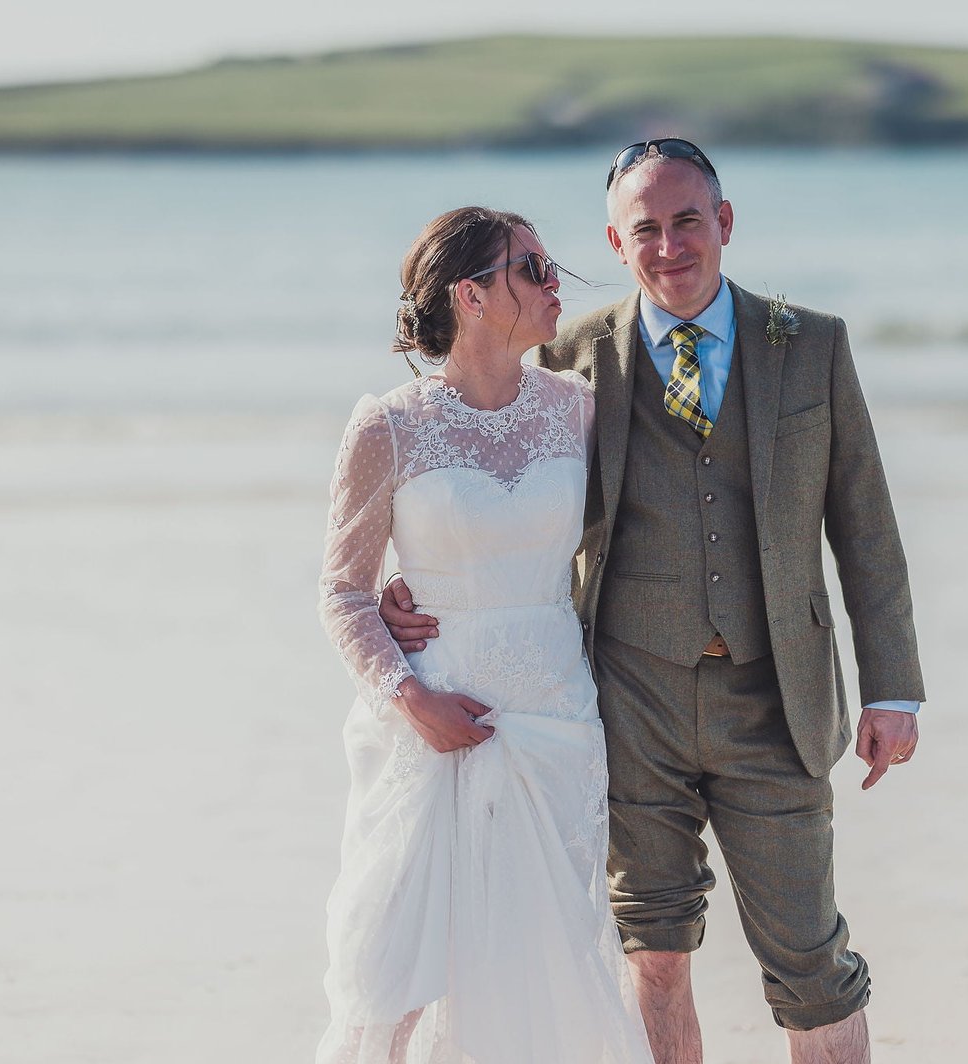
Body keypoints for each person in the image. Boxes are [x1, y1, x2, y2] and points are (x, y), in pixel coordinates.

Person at [381, 141, 925, 1064]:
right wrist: (421, 581)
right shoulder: (567, 357)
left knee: (811, 964)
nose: (669, 246)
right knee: (655, 950)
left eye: (686, 222)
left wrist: (894, 691)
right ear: (617, 242)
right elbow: (482, 467)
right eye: (646, 229)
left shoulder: (814, 345)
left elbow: (865, 528)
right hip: (629, 706)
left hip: (779, 706)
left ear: (724, 223)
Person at [315, 206, 655, 1064]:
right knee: (396, 964)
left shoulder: (581, 411)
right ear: (472, 294)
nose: (556, 285)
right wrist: (410, 696)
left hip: (552, 722)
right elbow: (344, 593)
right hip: (430, 724)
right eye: (532, 269)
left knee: (538, 957)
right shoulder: (387, 426)